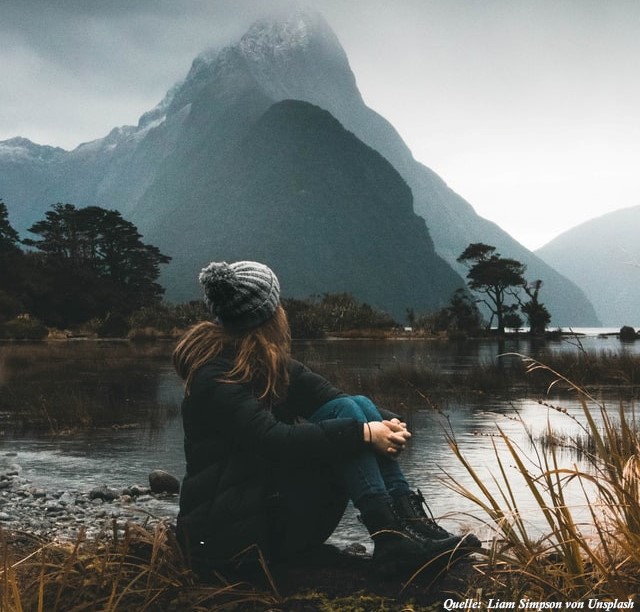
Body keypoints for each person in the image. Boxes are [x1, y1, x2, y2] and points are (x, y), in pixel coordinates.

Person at [173, 260, 480, 578]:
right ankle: (390, 533)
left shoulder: (269, 364)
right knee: (350, 425)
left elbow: (334, 399)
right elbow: (273, 439)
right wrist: (364, 433)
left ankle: (412, 527)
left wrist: (387, 423)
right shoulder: (213, 377)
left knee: (355, 404)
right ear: (268, 315)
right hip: (226, 544)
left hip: (258, 519)